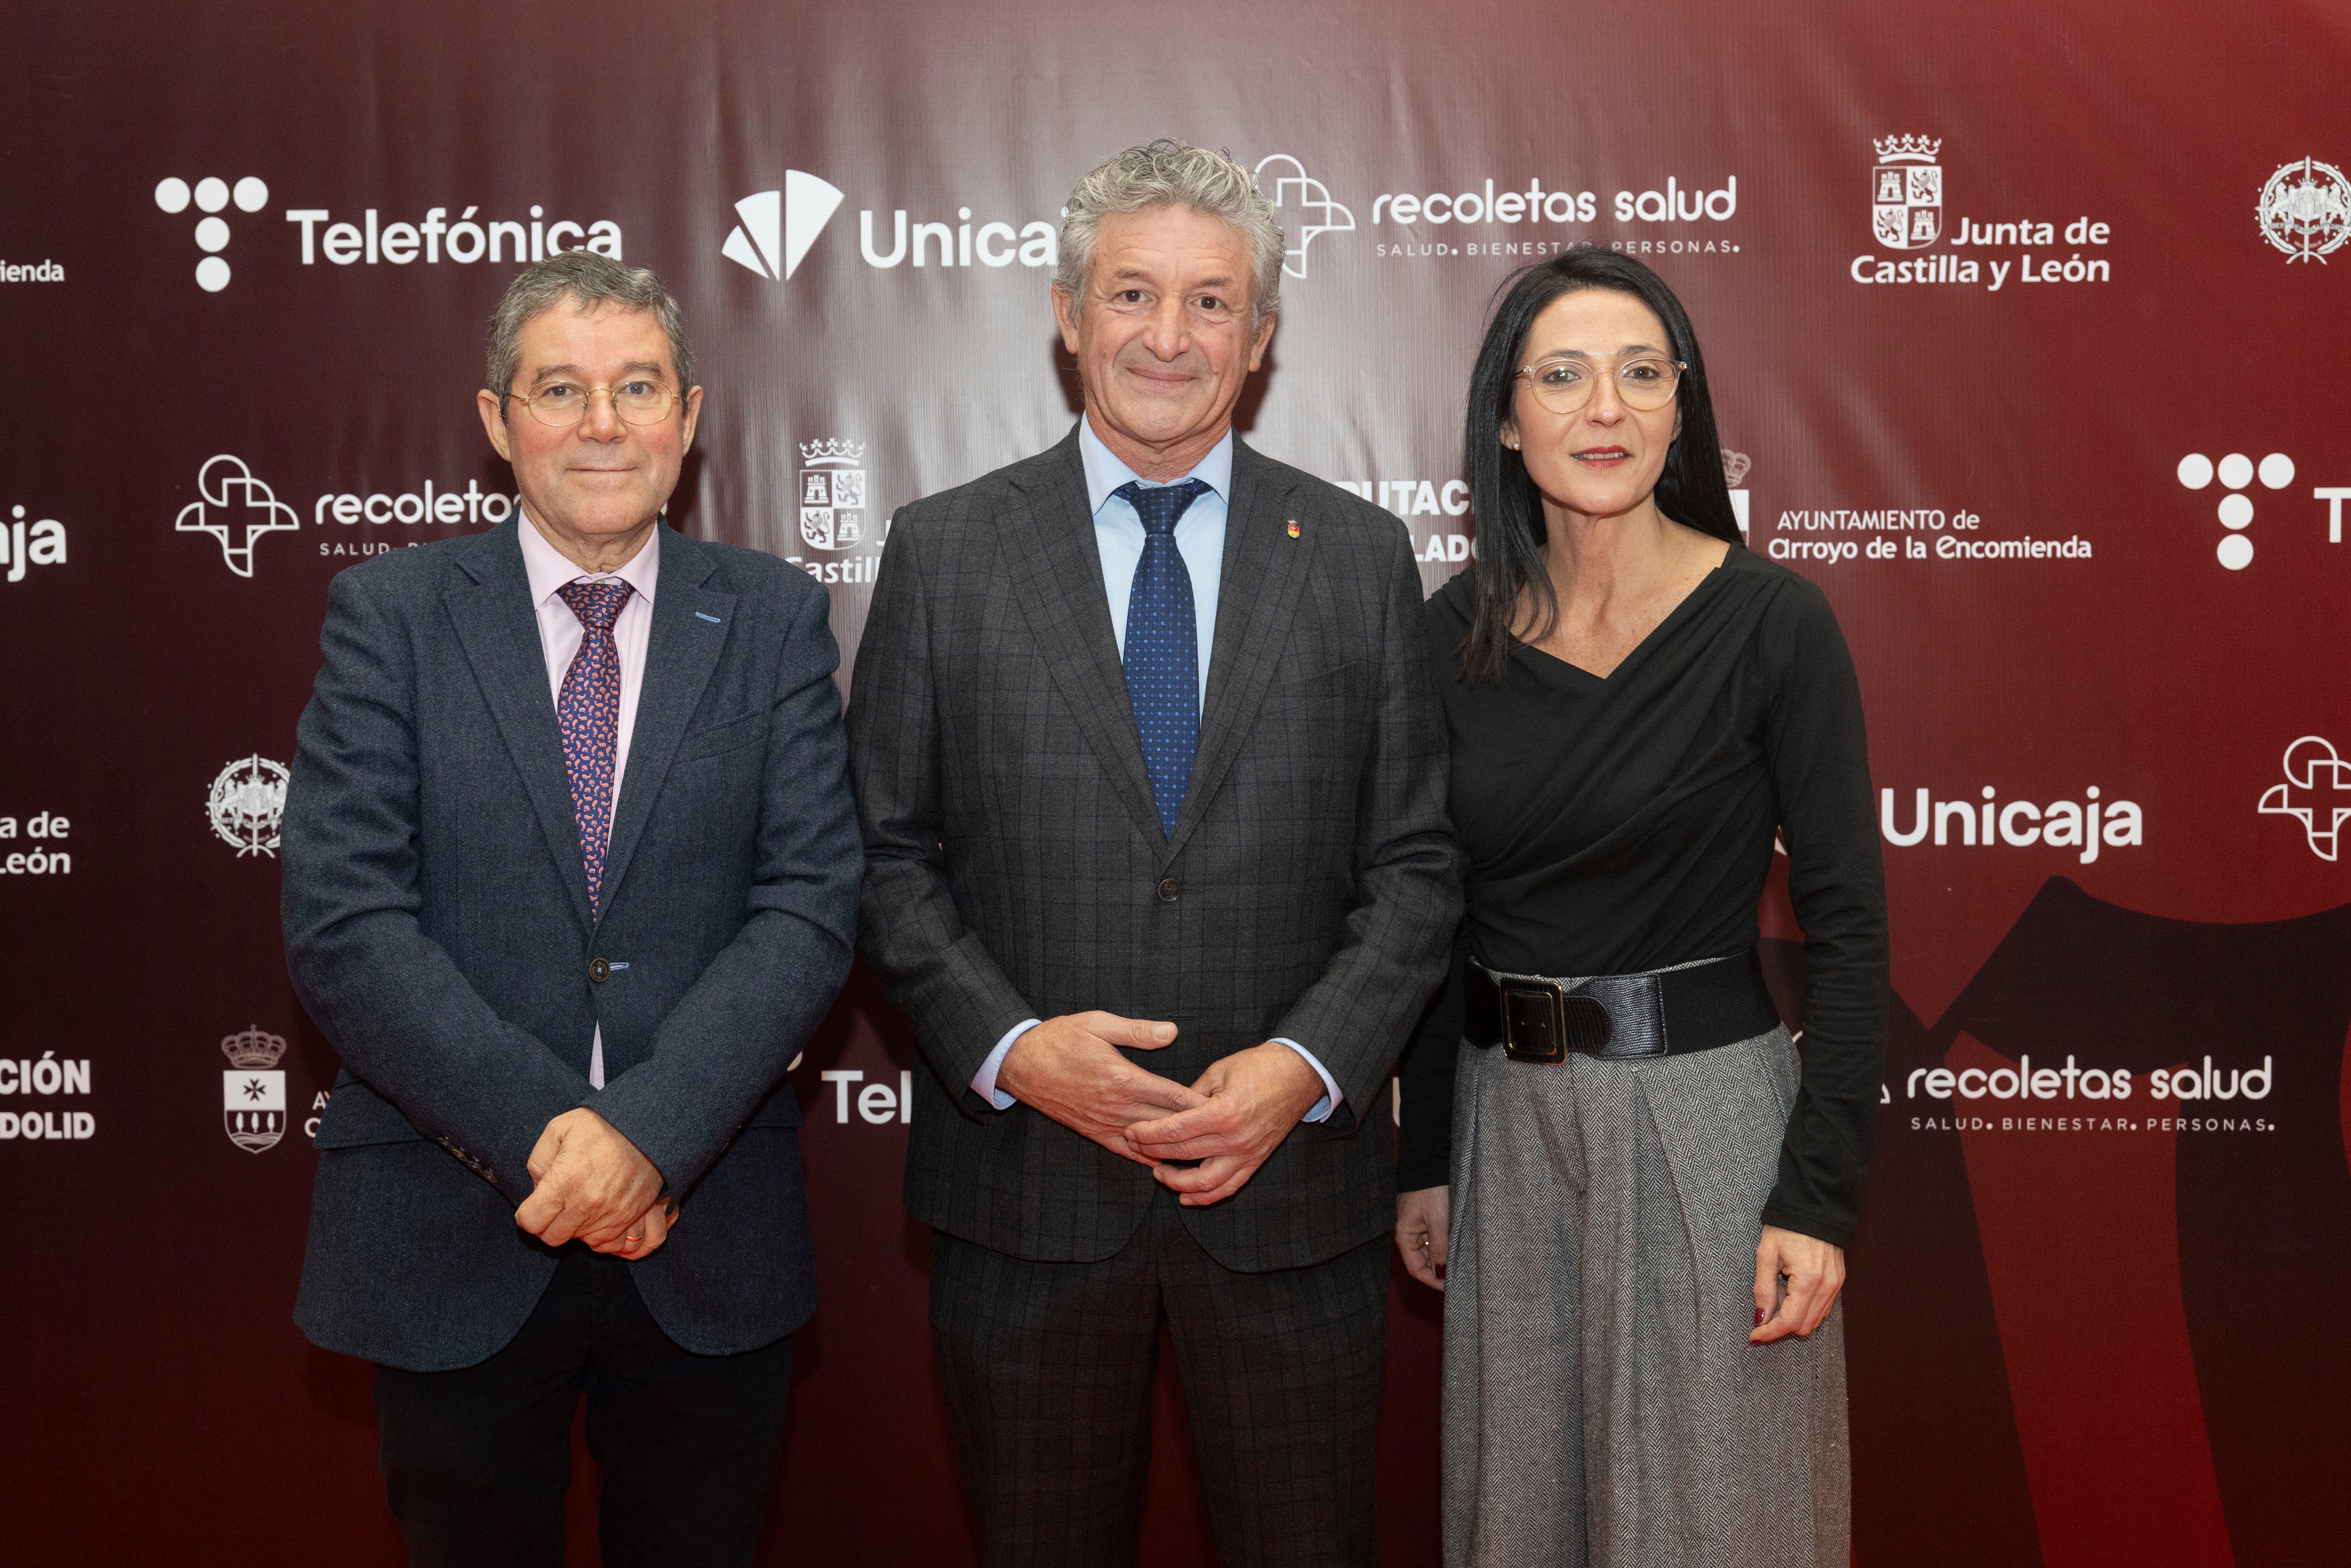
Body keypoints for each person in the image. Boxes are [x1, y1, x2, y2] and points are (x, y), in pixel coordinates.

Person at [849, 139, 1459, 1567]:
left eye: (1209, 303)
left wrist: (1308, 1068)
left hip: (1287, 1202)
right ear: (1067, 315)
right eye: (1130, 295)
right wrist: (1009, 1047)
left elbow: (1417, 865)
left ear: (1258, 339)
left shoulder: (1360, 556)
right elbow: (879, 852)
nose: (1166, 338)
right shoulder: (945, 552)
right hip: (1027, 1202)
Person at [282, 250, 862, 1566]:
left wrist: (645, 1136)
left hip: (706, 1233)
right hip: (453, 1222)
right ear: (497, 422)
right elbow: (345, 923)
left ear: (689, 415)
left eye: (637, 386)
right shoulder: (391, 615)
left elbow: (809, 904)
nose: (603, 424)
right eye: (560, 387)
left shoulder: (771, 616)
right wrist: (561, 1140)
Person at [1392, 250, 1888, 1568]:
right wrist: (1423, 1155)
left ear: (1679, 409)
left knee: (1719, 1524)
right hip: (1505, 1130)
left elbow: (1848, 935)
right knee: (1519, 1523)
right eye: (1560, 375)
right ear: (1505, 416)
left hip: (1711, 1132)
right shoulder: (1450, 636)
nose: (1601, 408)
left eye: (1637, 374)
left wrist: (1818, 1198)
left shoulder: (1774, 623)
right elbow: (1439, 921)